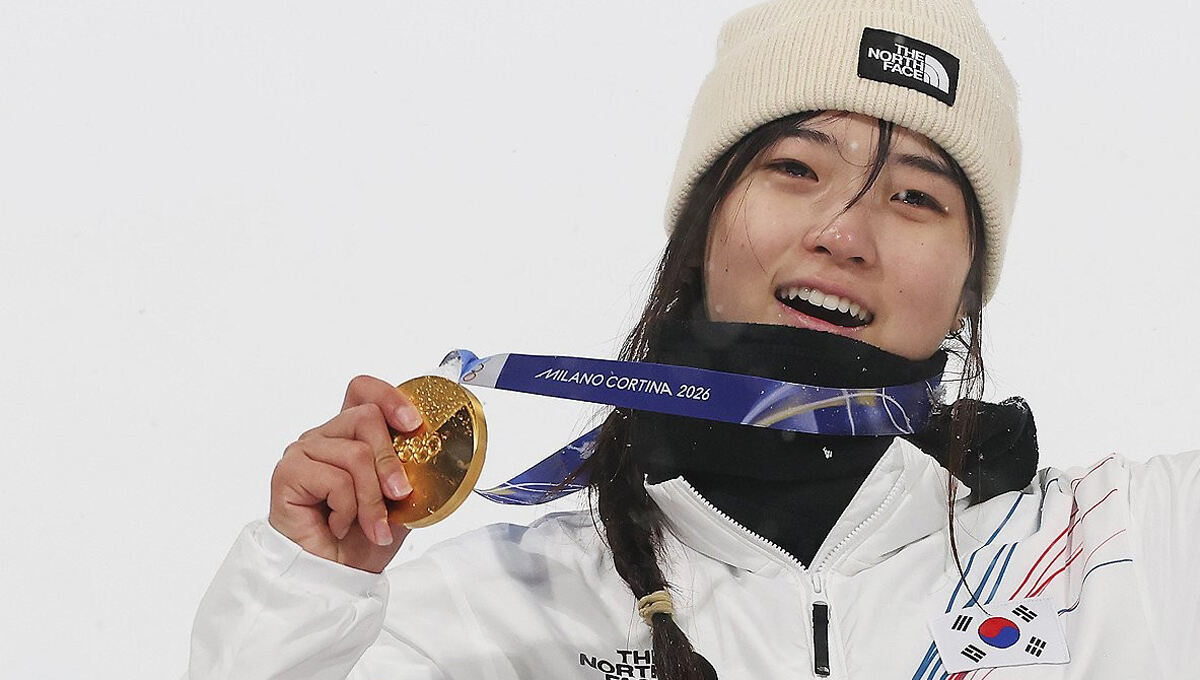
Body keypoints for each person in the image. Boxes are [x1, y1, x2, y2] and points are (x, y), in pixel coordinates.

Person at [186, 0, 1200, 678]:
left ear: (969, 286)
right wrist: (306, 595)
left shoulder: (1128, 554)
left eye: (915, 197)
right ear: (702, 222)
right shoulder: (495, 615)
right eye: (797, 168)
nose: (844, 232)